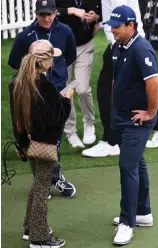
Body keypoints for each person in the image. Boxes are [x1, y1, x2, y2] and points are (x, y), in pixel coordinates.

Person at [81, 0, 158, 156]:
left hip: (125, 43)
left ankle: (112, 141)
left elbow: (123, 20)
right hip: (120, 42)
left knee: (108, 90)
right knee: (129, 89)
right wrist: (98, 18)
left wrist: (117, 47)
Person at [103, 5, 158, 245]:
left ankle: (128, 222)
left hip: (137, 120)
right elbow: (118, 77)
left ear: (131, 25)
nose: (112, 30)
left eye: (117, 26)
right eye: (111, 26)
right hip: (124, 116)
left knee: (127, 166)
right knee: (137, 162)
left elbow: (154, 83)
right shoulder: (119, 46)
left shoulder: (141, 49)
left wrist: (151, 112)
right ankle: (143, 212)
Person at [8, 0, 77, 198]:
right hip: (34, 92)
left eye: (49, 14)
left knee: (54, 134)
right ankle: (44, 181)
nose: (45, 18)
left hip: (56, 88)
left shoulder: (65, 31)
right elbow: (14, 62)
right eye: (41, 14)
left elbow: (69, 56)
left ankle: (51, 177)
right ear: (36, 14)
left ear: (55, 12)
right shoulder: (26, 36)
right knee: (36, 135)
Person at [9, 39, 72, 248]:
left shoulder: (17, 82)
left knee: (37, 185)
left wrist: (20, 145)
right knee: (42, 189)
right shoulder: (46, 87)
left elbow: (16, 119)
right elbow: (56, 120)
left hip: (27, 143)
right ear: (45, 61)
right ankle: (39, 236)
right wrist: (66, 100)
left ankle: (30, 228)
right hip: (43, 145)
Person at [55, 0, 102, 148]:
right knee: (66, 89)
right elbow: (49, 11)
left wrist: (96, 17)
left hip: (84, 46)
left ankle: (89, 124)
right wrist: (72, 10)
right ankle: (70, 131)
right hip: (62, 47)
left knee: (82, 88)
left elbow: (101, 14)